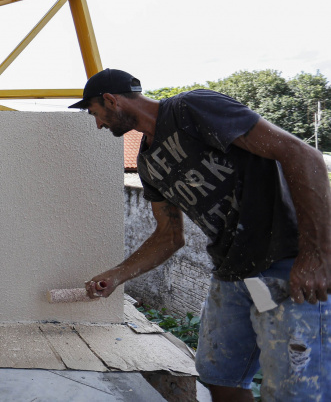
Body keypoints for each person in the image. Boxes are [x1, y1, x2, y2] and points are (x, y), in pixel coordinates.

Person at [70, 68, 331, 402]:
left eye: (95, 113)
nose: (98, 124)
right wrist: (117, 275)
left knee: (298, 390)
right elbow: (169, 236)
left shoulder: (191, 109)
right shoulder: (148, 164)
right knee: (220, 378)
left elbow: (301, 153)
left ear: (110, 99)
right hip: (232, 273)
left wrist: (315, 255)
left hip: (285, 262)